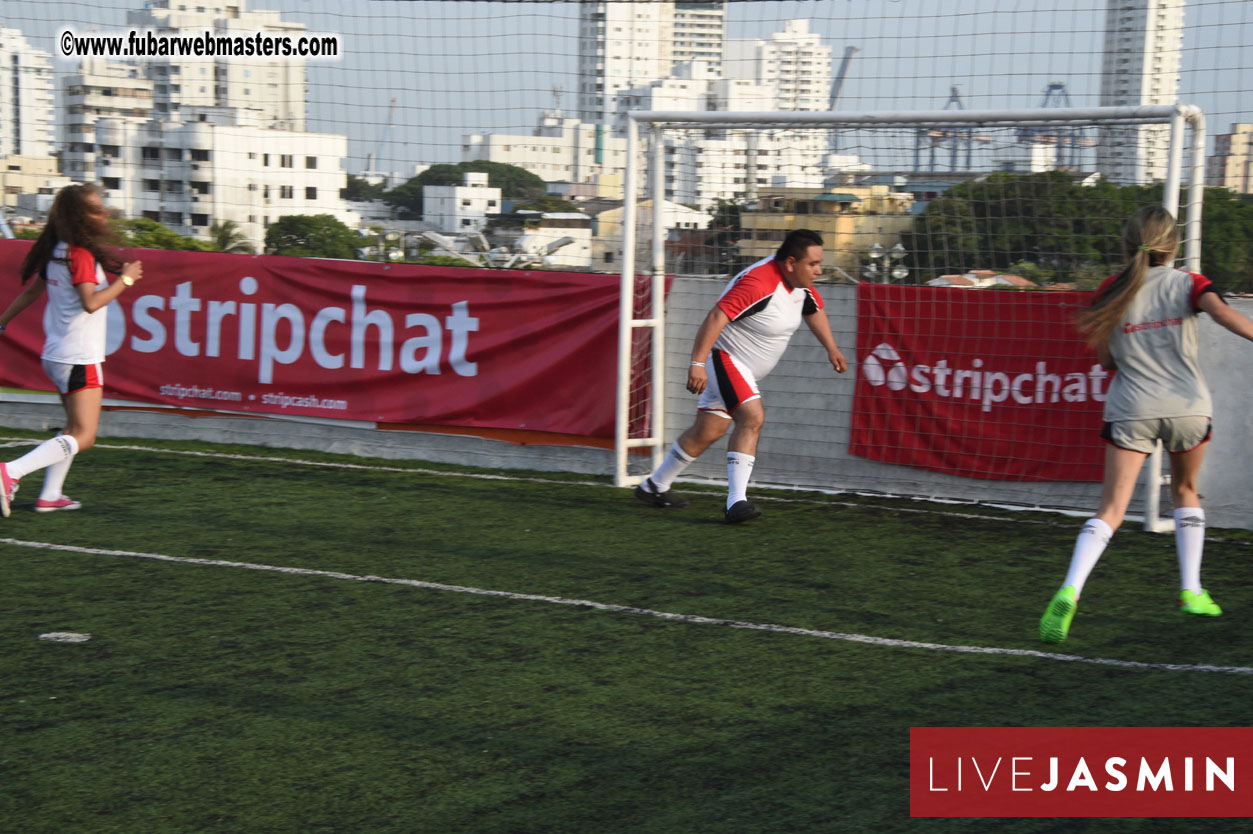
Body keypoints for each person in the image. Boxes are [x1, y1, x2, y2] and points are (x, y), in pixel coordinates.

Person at [1038, 205, 1253, 643]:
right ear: (1173, 244)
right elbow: (1221, 313)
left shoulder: (1110, 289)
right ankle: (1191, 590)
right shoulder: (1190, 283)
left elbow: (1106, 360)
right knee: (1185, 490)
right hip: (1188, 408)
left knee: (1112, 510)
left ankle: (1071, 589)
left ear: (1127, 243)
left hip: (1131, 407)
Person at [634, 228, 848, 523]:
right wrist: (697, 364)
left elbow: (813, 310)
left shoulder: (800, 282)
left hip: (742, 370)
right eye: (813, 264)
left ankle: (654, 486)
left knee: (708, 431)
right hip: (726, 360)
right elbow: (716, 316)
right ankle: (736, 502)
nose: (818, 270)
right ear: (790, 263)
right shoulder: (759, 283)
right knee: (752, 418)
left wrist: (831, 348)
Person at [0, 183, 143, 518]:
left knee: (71, 429)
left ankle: (50, 494)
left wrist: (3, 321)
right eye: (97, 209)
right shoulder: (79, 254)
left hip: (57, 355)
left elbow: (31, 292)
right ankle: (10, 471)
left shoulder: (58, 250)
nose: (104, 214)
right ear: (81, 217)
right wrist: (126, 280)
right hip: (78, 357)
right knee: (85, 435)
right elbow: (90, 303)